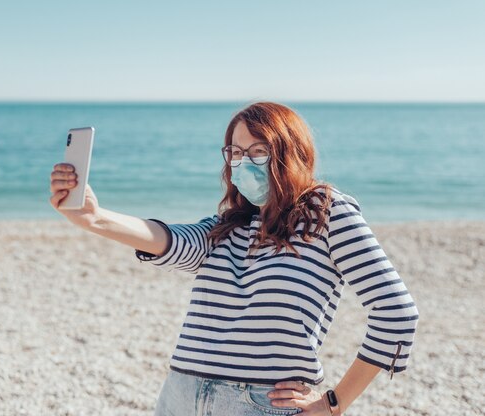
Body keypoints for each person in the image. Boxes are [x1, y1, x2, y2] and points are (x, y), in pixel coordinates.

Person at [48, 102, 419, 416]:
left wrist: (334, 403)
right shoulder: (229, 225)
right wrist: (95, 218)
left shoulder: (327, 212)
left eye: (258, 151)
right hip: (180, 395)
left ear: (291, 153)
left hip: (258, 403)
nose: (243, 162)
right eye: (236, 152)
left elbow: (396, 313)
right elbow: (170, 240)